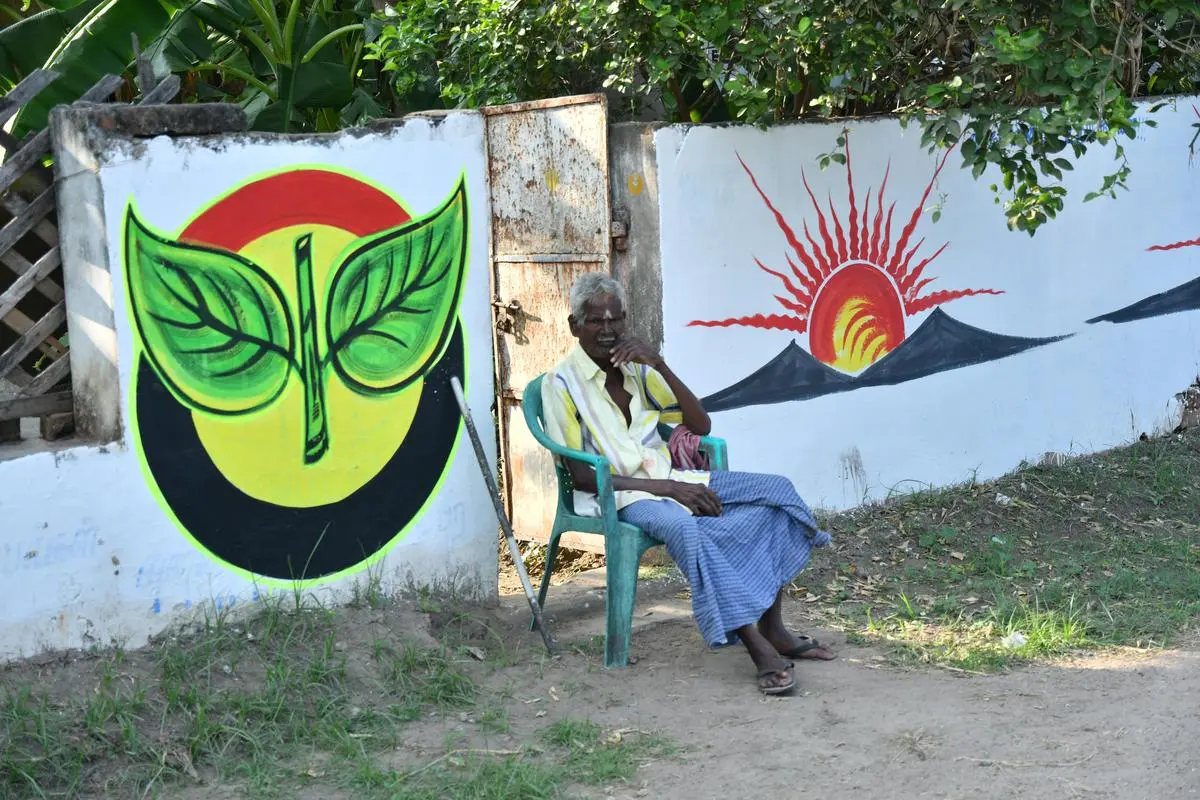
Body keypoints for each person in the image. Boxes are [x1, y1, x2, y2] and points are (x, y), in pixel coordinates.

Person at [541, 272, 835, 695]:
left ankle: (774, 627)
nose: (608, 330)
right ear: (575, 325)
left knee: (776, 493)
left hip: (673, 477)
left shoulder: (636, 371)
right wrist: (668, 490)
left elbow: (700, 425)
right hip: (620, 494)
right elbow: (583, 476)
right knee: (687, 529)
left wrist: (658, 364)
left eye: (615, 319)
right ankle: (756, 645)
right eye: (596, 321)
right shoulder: (561, 385)